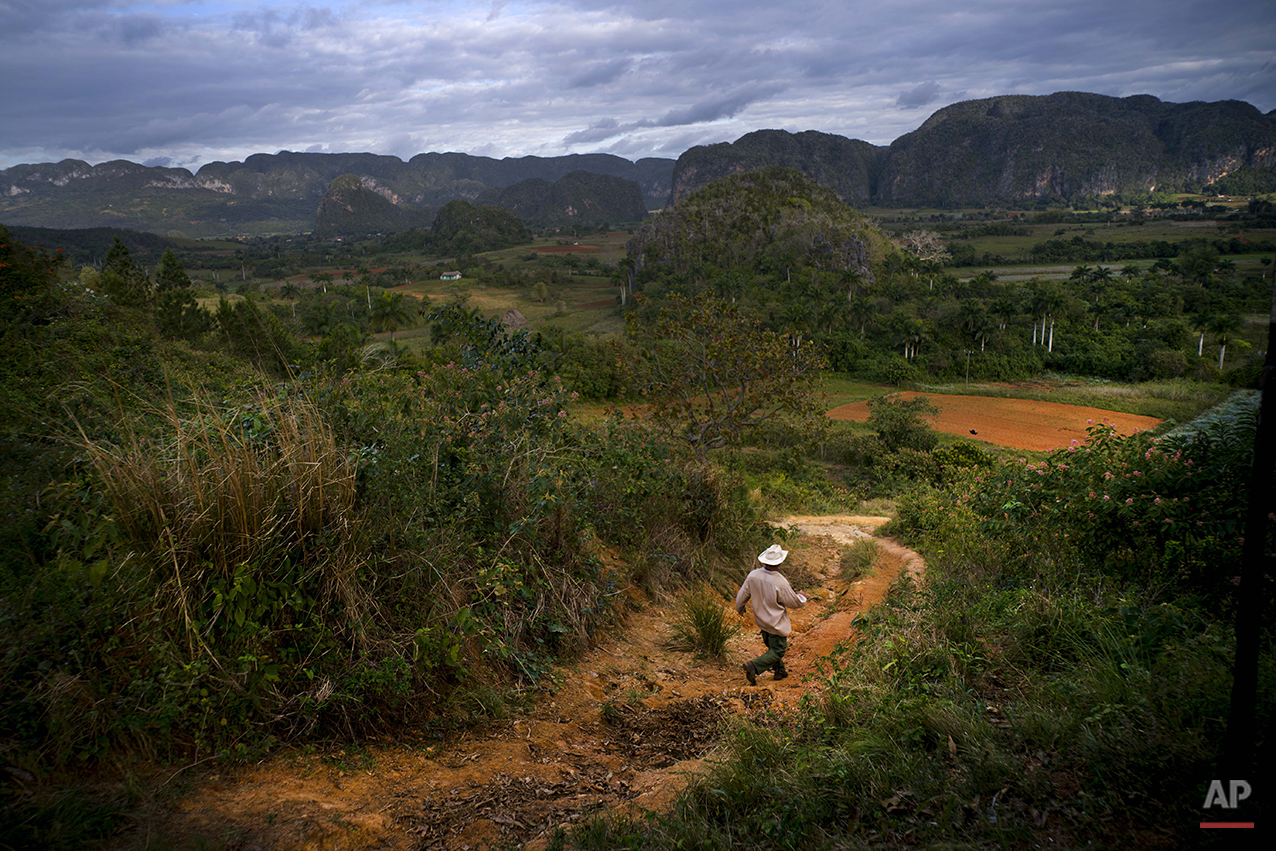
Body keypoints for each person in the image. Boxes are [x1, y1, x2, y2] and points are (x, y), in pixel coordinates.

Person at [734, 543, 806, 685]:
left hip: (761, 620)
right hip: (775, 622)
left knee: (772, 647)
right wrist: (801, 597)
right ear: (779, 562)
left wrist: (740, 608)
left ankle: (779, 670)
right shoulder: (779, 581)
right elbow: (793, 602)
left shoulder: (753, 575)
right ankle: (754, 666)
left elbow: (742, 595)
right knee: (778, 650)